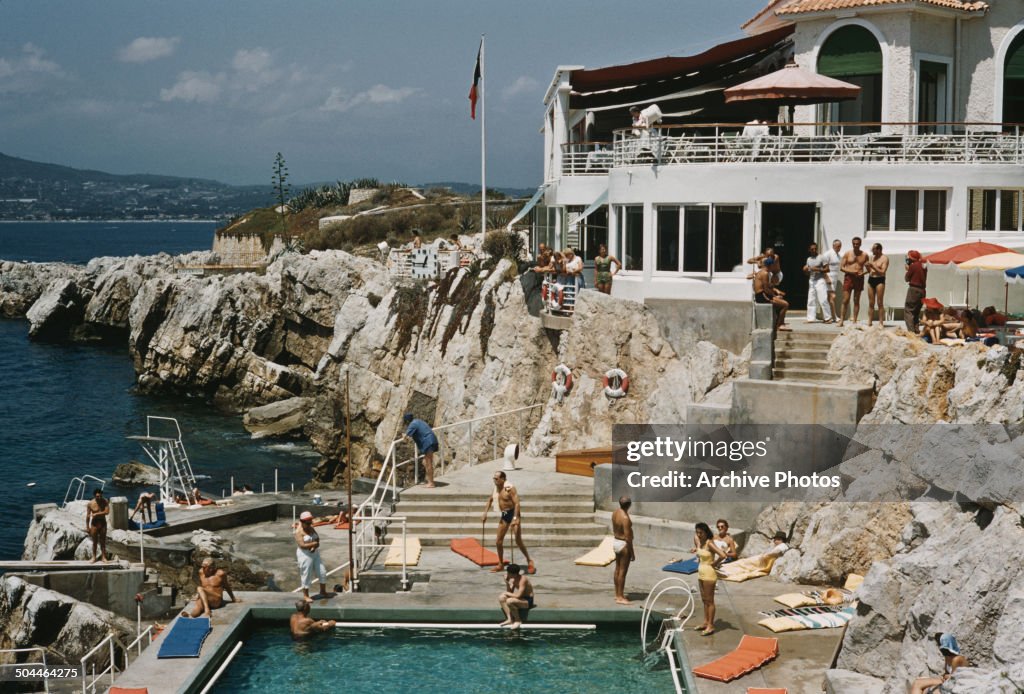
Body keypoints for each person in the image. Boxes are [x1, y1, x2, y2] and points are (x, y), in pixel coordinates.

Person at [481, 470, 535, 575]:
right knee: (498, 541)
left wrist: (515, 518)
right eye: (494, 478)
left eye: (496, 478)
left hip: (514, 513)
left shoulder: (509, 488)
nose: (494, 480)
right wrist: (485, 513)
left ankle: (529, 560)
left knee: (518, 540)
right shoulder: (496, 488)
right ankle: (500, 564)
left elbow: (517, 504)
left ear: (503, 479)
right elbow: (490, 500)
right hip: (505, 514)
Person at [692, 522, 729, 636]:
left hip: (709, 574)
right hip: (701, 573)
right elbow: (696, 541)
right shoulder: (700, 541)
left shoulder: (709, 543)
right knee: (704, 600)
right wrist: (696, 549)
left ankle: (711, 626)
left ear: (706, 532)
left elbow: (723, 555)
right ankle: (706, 622)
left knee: (710, 601)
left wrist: (714, 563)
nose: (698, 535)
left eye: (701, 533)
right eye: (697, 532)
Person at [295, 511, 328, 603]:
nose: (310, 524)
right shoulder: (298, 532)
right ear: (302, 522)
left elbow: (317, 538)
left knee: (322, 571)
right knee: (306, 574)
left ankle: (322, 590)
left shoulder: (311, 528)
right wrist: (314, 543)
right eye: (308, 523)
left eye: (311, 522)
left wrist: (315, 546)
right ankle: (306, 595)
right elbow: (302, 545)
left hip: (315, 553)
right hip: (304, 555)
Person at [837, 236, 869, 327]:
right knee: (845, 300)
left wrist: (863, 273)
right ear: (852, 244)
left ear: (860, 244)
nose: (855, 245)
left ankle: (854, 320)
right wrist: (852, 271)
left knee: (856, 300)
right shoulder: (847, 253)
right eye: (854, 244)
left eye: (857, 244)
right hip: (849, 277)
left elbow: (869, 269)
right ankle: (842, 320)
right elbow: (842, 268)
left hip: (859, 278)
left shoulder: (864, 255)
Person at [403, 413, 438, 488]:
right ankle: (429, 480)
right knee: (425, 462)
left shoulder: (412, 424)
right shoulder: (418, 421)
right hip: (432, 440)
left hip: (428, 442)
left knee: (428, 463)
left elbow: (405, 438)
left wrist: (404, 436)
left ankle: (431, 483)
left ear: (406, 421)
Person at [753, 258, 789, 331]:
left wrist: (777, 291)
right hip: (762, 296)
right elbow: (766, 289)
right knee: (785, 304)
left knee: (780, 301)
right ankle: (779, 325)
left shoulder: (762, 272)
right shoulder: (765, 273)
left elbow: (768, 287)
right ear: (771, 265)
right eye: (774, 266)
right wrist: (775, 296)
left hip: (762, 295)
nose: (775, 268)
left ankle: (778, 323)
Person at [611, 496, 635, 605]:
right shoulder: (625, 517)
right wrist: (632, 552)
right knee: (622, 572)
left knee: (617, 569)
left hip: (616, 542)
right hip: (623, 544)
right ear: (629, 505)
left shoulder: (615, 512)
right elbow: (628, 537)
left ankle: (617, 594)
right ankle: (620, 597)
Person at [498, 563, 535, 630]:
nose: (507, 574)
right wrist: (507, 582)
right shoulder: (514, 578)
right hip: (521, 599)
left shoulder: (523, 580)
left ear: (514, 574)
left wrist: (506, 593)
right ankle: (510, 619)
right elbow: (510, 592)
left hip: (528, 601)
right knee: (502, 597)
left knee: (509, 601)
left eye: (508, 573)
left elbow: (518, 595)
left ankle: (518, 620)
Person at [803, 242, 832, 323]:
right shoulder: (808, 259)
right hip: (811, 280)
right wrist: (805, 270)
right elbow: (808, 272)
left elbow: (827, 269)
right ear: (809, 250)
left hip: (820, 280)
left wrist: (818, 269)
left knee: (823, 299)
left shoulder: (822, 257)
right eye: (812, 249)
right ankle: (810, 318)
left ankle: (828, 318)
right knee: (811, 300)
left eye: (815, 248)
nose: (814, 250)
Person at [866, 242, 889, 327]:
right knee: (871, 303)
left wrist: (873, 265)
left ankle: (881, 322)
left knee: (880, 302)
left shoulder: (885, 258)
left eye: (873, 250)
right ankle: (870, 321)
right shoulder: (872, 257)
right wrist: (867, 266)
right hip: (871, 279)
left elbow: (882, 272)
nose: (872, 251)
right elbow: (870, 271)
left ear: (879, 250)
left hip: (880, 280)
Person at [904, 250, 927, 333]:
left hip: (914, 290)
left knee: (909, 311)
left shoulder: (913, 266)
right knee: (916, 311)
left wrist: (908, 270)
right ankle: (916, 330)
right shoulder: (924, 265)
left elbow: (907, 279)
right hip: (922, 291)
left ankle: (911, 332)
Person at [86, 488, 109, 563]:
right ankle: (94, 557)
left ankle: (103, 557)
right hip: (94, 524)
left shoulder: (105, 501)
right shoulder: (90, 504)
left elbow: (107, 512)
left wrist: (97, 514)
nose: (99, 498)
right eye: (97, 496)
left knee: (103, 541)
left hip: (103, 523)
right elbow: (88, 516)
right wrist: (87, 527)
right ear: (94, 496)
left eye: (100, 496)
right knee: (94, 542)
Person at [823, 239, 843, 321]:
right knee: (832, 297)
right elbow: (823, 267)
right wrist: (826, 278)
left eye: (840, 246)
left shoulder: (838, 255)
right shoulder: (827, 254)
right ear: (833, 245)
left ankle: (829, 316)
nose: (839, 248)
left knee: (829, 298)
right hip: (829, 278)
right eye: (837, 246)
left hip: (834, 279)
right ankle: (834, 316)